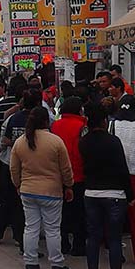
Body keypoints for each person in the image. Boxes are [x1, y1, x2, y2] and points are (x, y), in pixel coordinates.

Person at [10, 106, 73, 269]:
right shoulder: (55, 141)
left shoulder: (21, 142)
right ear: (46, 121)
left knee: (31, 227)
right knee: (52, 229)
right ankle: (57, 263)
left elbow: (14, 168)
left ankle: (30, 262)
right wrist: (68, 186)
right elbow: (65, 168)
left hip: (28, 190)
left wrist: (18, 184)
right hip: (51, 191)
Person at [79, 102, 134, 269]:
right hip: (114, 194)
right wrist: (131, 194)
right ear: (104, 121)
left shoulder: (84, 142)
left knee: (93, 237)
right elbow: (122, 169)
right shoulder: (113, 141)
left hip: (92, 192)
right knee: (114, 239)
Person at [0, 89, 42, 250]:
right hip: (32, 166)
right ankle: (18, 237)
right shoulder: (43, 120)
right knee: (22, 204)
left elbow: (3, 141)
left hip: (10, 164)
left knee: (10, 200)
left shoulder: (13, 118)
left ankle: (2, 234)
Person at [111, 95, 135, 265]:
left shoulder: (114, 124)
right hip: (134, 173)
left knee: (114, 216)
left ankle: (116, 253)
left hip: (115, 175)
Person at [51, 96, 87, 256]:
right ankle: (78, 246)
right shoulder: (82, 126)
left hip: (57, 174)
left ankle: (63, 243)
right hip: (78, 174)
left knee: (60, 213)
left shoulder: (55, 125)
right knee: (79, 213)